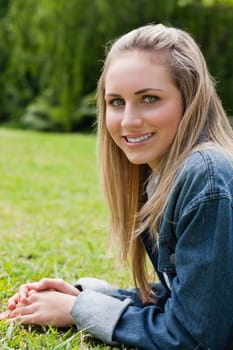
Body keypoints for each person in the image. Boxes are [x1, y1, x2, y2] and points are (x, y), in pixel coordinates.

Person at [1, 23, 233, 349]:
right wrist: (89, 296)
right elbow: (184, 299)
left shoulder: (205, 173)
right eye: (116, 102)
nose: (128, 121)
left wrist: (79, 310)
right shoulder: (157, 175)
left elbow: (198, 336)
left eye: (149, 98)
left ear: (190, 98)